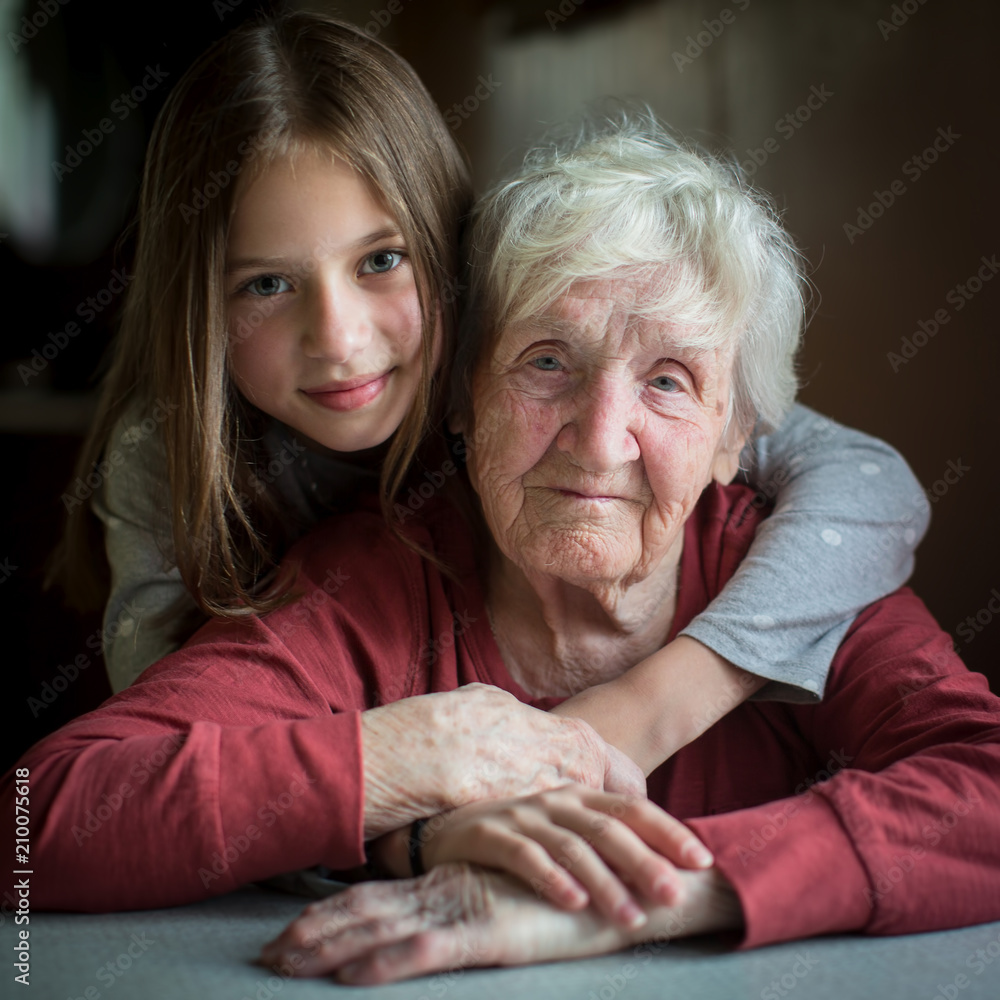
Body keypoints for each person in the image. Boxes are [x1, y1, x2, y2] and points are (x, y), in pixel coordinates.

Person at [11, 113, 998, 982]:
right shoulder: (366, 586)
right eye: (545, 361)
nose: (598, 438)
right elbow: (33, 824)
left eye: (667, 381)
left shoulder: (793, 577)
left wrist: (631, 896)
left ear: (737, 437)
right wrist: (404, 771)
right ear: (464, 397)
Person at [48, 11, 929, 779]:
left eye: (381, 261)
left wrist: (673, 691)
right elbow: (168, 760)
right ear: (195, 304)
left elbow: (869, 482)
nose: (342, 339)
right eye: (267, 285)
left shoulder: (519, 360)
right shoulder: (159, 458)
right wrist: (405, 813)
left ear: (448, 260)